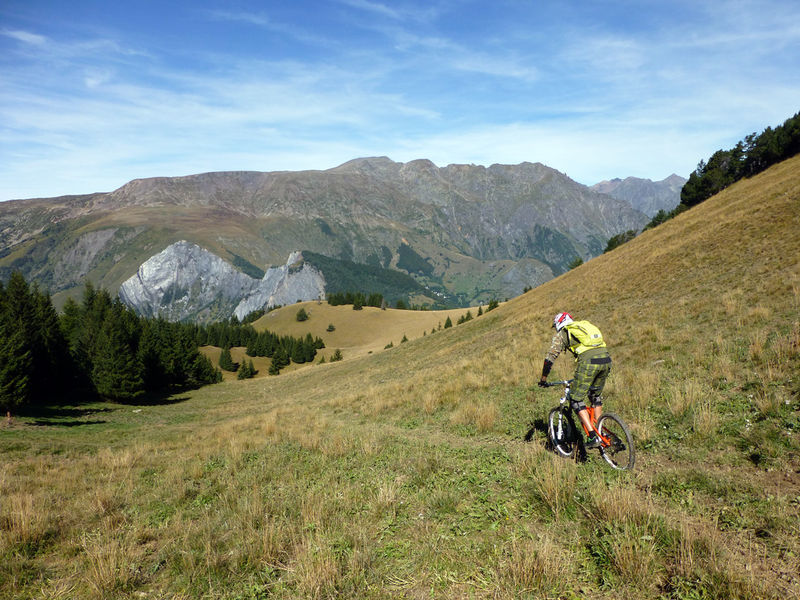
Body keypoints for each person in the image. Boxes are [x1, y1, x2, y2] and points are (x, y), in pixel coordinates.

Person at [538, 312, 612, 449]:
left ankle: (592, 436)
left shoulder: (563, 333)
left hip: (589, 363)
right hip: (606, 359)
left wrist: (543, 378)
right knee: (595, 396)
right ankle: (600, 430)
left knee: (575, 399)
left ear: (558, 324)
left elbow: (550, 357)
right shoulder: (583, 326)